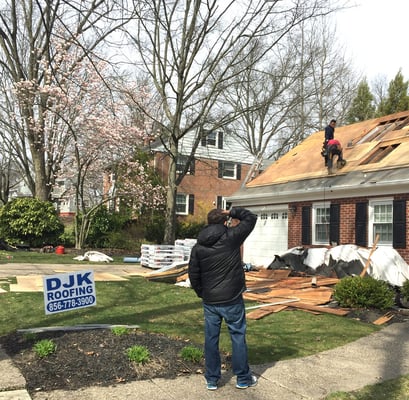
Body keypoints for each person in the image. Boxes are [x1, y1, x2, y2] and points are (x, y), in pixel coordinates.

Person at [188, 207, 258, 391]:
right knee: (237, 336)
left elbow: (193, 275)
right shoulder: (231, 237)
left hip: (210, 300)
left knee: (211, 339)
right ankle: (243, 378)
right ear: (224, 221)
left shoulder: (198, 246)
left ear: (208, 222)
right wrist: (231, 212)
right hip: (232, 298)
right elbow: (250, 217)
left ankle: (212, 379)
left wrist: (203, 293)